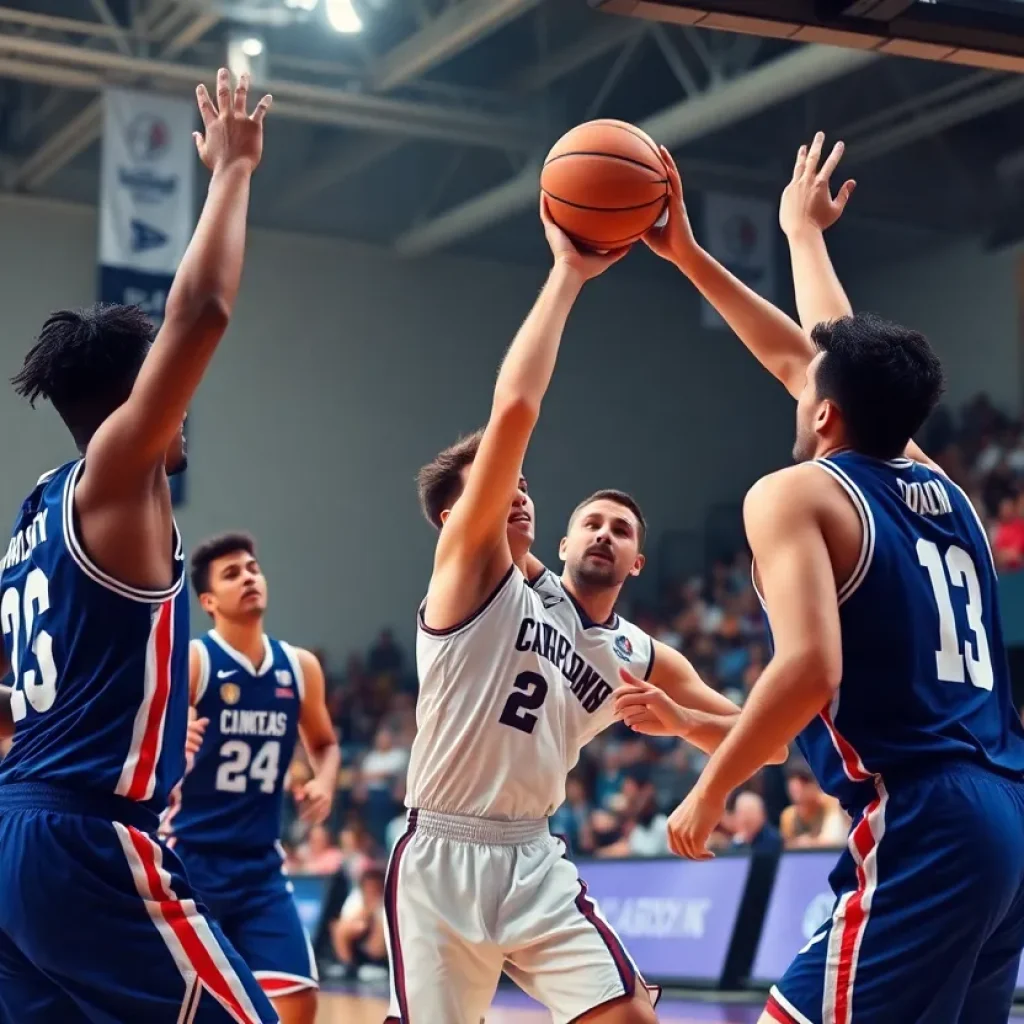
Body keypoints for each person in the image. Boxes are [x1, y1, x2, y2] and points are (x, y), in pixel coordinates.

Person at [645, 135, 1024, 1023]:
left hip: (923, 818)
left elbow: (811, 670)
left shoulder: (792, 496)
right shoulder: (944, 489)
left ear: (823, 412)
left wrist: (708, 791)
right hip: (1006, 817)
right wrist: (786, 240)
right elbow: (819, 356)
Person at [390, 198, 785, 1024]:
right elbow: (516, 415)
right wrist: (567, 275)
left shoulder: (639, 654)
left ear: (636, 560)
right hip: (439, 853)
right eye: (593, 523)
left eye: (622, 530)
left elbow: (769, 742)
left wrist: (681, 723)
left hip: (533, 857)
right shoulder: (474, 578)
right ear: (561, 547)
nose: (604, 533)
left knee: (632, 1019)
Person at [0, 70, 279, 1023]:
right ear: (140, 397)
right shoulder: (118, 474)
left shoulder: (29, 519)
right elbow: (199, 315)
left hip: (16, 834)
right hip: (88, 840)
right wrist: (233, 172)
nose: (186, 405)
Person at [163, 532, 340, 1024]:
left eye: (252, 568)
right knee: (190, 1006)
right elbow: (146, 746)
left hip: (261, 864)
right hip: (190, 861)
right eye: (232, 573)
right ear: (208, 601)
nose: (248, 578)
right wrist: (172, 748)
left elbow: (325, 743)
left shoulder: (299, 667)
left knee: (300, 999)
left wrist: (324, 781)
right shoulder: (195, 662)